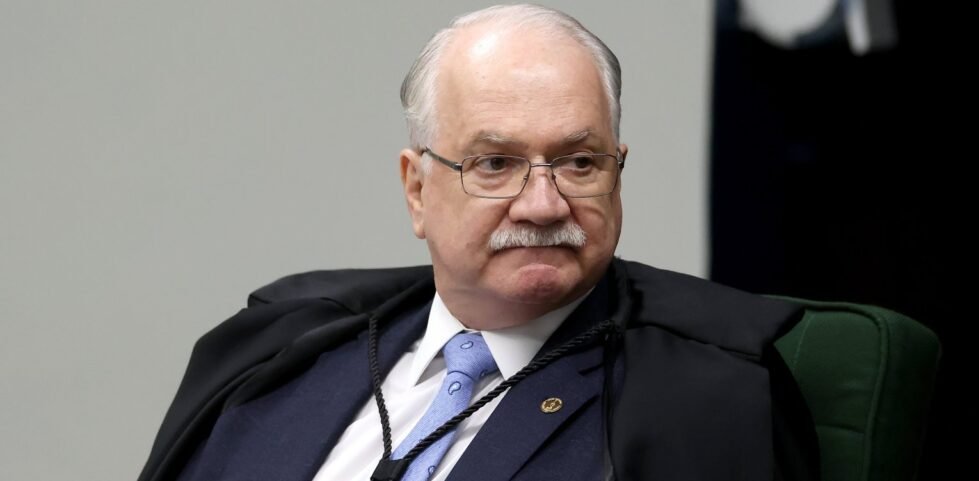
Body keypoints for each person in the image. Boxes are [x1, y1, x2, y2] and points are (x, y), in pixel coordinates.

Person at [138, 4, 819, 481]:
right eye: (495, 163)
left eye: (580, 162)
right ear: (417, 190)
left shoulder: (712, 392)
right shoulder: (280, 347)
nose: (544, 203)